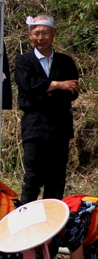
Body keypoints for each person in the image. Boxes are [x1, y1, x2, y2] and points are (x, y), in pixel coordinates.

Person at [14, 15, 79, 205]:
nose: (40, 37)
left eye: (44, 33)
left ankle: (53, 225)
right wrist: (58, 85)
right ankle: (25, 221)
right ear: (30, 36)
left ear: (53, 34)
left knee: (56, 177)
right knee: (33, 176)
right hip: (34, 124)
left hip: (60, 124)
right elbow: (27, 87)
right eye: (36, 33)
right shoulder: (23, 61)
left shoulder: (65, 62)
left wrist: (43, 91)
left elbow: (72, 92)